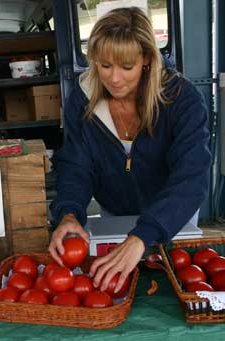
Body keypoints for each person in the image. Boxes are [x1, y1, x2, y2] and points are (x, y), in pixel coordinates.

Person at [48, 7, 211, 294]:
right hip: (116, 213)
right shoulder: (81, 100)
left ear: (147, 59)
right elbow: (76, 164)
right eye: (104, 65)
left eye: (126, 67)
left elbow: (191, 176)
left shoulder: (181, 99)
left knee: (171, 290)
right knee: (124, 290)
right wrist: (70, 213)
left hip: (173, 216)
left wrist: (144, 236)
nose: (114, 78)